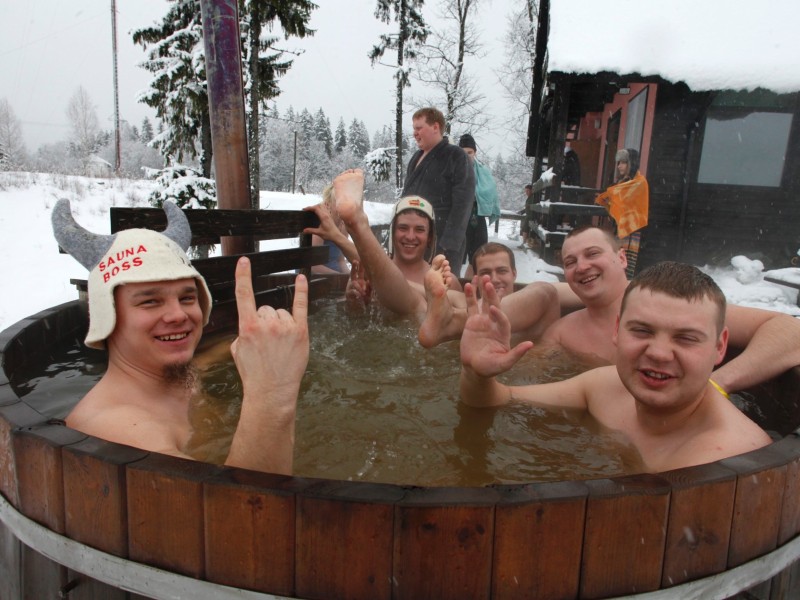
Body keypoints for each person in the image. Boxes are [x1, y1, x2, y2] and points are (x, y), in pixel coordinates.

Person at [51, 199, 308, 476]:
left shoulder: (173, 377)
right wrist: (271, 393)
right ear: (108, 317)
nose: (178, 314)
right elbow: (242, 515)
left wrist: (254, 344)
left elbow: (205, 362)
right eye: (150, 302)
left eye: (187, 297)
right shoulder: (117, 429)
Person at [459, 261, 773, 473]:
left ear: (719, 346)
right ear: (617, 330)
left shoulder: (729, 457)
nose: (660, 353)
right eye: (642, 331)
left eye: (686, 338)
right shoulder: (603, 386)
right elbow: (494, 400)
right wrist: (476, 373)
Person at [422, 225, 800, 394]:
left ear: (621, 257)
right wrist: (476, 370)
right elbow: (519, 383)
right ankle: (454, 322)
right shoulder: (564, 333)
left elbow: (789, 332)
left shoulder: (673, 303)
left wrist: (716, 385)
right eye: (570, 262)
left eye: (592, 254)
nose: (581, 266)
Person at [331, 168, 464, 319]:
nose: (410, 236)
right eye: (403, 228)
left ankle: (357, 223)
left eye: (419, 230)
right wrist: (354, 304)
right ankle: (357, 222)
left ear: (430, 237)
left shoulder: (448, 281)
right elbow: (354, 328)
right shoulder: (366, 274)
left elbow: (455, 333)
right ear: (393, 233)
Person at [402, 107, 475, 269]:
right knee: (408, 288)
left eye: (419, 128)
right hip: (412, 238)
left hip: (441, 239)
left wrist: (448, 244)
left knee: (440, 288)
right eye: (414, 128)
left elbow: (464, 203)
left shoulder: (456, 156)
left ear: (435, 127)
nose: (415, 133)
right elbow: (405, 197)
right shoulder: (416, 157)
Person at [595, 148, 649, 278]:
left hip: (632, 230)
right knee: (616, 264)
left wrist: (612, 195)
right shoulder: (620, 184)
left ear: (632, 163)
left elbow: (635, 207)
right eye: (618, 162)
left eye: (623, 162)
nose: (619, 166)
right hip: (618, 230)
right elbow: (617, 204)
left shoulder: (639, 183)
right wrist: (608, 202)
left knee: (626, 267)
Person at [458, 133, 501, 278]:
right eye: (463, 153)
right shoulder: (453, 169)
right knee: (455, 257)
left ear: (474, 152)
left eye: (469, 152)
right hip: (459, 219)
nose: (467, 155)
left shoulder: (483, 171)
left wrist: (477, 195)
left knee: (478, 257)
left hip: (478, 217)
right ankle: (454, 288)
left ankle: (469, 286)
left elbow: (490, 190)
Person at [304, 184, 358, 274]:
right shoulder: (320, 225)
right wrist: (339, 278)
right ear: (328, 204)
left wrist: (348, 276)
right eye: (339, 203)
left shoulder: (343, 226)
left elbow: (340, 260)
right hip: (316, 278)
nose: (343, 207)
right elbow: (314, 266)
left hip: (335, 277)